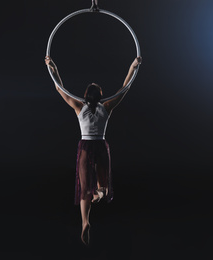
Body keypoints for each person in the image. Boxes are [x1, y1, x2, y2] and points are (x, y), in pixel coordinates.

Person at [45, 55, 142, 245]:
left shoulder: (78, 107)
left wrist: (52, 66)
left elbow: (59, 88)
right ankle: (100, 193)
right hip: (100, 145)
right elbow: (125, 87)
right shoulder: (107, 107)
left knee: (84, 189)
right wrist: (133, 66)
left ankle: (85, 222)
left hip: (85, 147)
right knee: (102, 184)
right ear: (100, 95)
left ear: (85, 95)